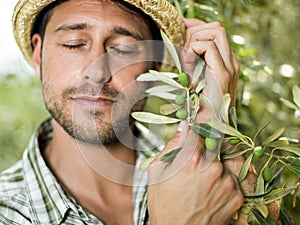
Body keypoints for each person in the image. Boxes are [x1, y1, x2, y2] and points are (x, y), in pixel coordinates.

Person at [0, 0, 276, 224]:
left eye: (122, 49)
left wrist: (219, 124)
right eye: (73, 43)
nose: (96, 73)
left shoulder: (215, 175)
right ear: (39, 56)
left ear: (154, 68)